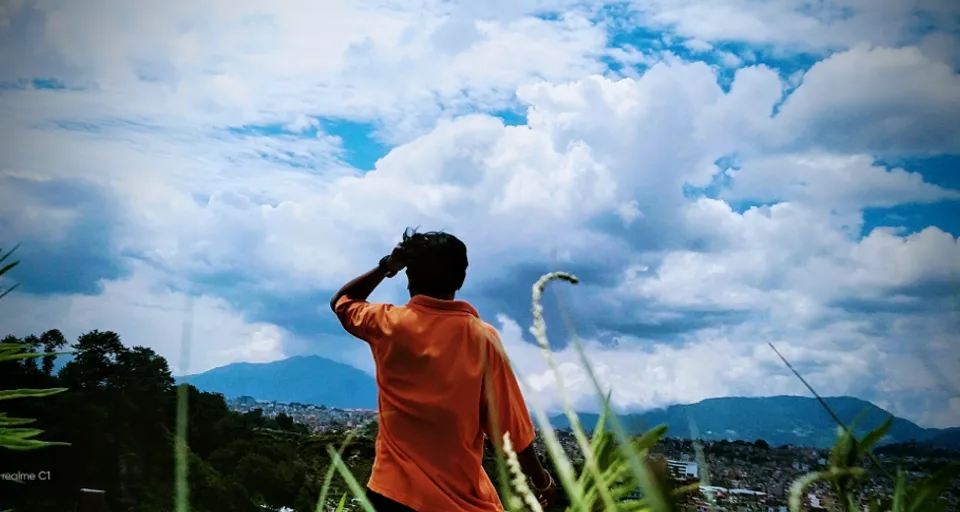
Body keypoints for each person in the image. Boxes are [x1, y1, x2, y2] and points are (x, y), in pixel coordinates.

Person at [330, 228, 558, 512]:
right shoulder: (481, 338)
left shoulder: (388, 324)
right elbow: (510, 428)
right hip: (457, 502)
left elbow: (343, 301)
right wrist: (542, 480)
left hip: (390, 493)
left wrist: (388, 265)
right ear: (461, 278)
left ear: (409, 276)